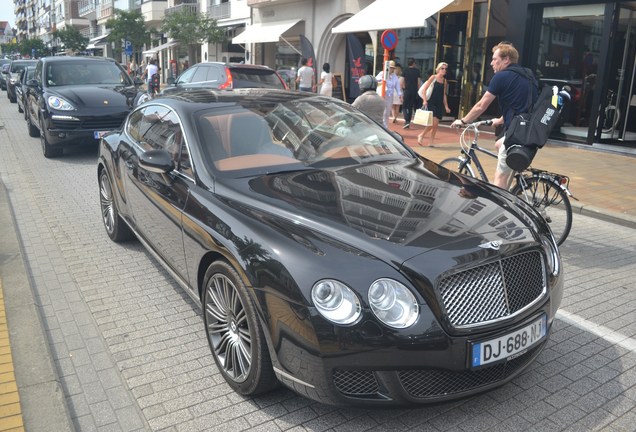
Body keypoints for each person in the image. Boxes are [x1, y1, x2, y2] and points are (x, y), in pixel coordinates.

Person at [451, 42, 537, 189]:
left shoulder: (501, 77)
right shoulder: (527, 75)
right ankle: (513, 182)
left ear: (506, 60)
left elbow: (481, 105)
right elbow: (521, 105)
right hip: (529, 130)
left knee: (499, 181)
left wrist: (464, 120)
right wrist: (501, 119)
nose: (491, 63)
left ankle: (501, 206)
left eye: (494, 59)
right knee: (498, 144)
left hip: (516, 134)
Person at [417, 62, 451, 147]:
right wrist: (424, 100)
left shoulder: (444, 81)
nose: (444, 70)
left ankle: (431, 141)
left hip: (439, 103)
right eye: (442, 68)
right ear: (438, 69)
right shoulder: (433, 77)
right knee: (433, 123)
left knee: (436, 124)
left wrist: (446, 106)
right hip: (431, 102)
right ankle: (421, 135)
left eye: (445, 69)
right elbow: (424, 89)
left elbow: (444, 95)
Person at [375, 60, 402, 128]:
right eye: (390, 67)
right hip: (382, 95)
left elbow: (397, 86)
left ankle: (385, 127)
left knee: (387, 112)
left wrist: (400, 94)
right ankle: (379, 125)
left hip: (390, 95)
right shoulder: (382, 73)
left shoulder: (394, 76)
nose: (391, 69)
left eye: (392, 68)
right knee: (381, 111)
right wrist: (382, 81)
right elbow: (376, 81)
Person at [401, 58, 422, 129]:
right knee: (410, 106)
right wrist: (418, 91)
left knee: (404, 106)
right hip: (414, 90)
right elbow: (419, 83)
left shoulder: (405, 71)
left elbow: (401, 82)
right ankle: (408, 121)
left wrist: (404, 88)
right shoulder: (417, 71)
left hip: (407, 90)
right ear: (413, 63)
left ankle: (406, 120)